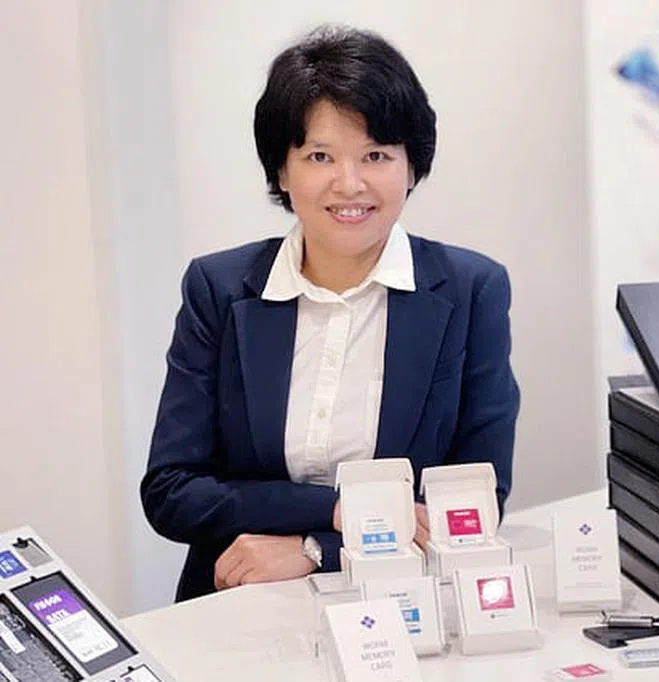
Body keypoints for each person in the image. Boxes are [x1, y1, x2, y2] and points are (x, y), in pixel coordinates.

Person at [141, 25, 520, 602]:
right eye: (320, 156)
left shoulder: (471, 290)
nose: (350, 184)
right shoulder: (218, 289)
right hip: (238, 598)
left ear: (410, 168)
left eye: (376, 155)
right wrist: (340, 510)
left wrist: (316, 548)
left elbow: (473, 503)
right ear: (282, 170)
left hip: (403, 603)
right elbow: (172, 491)